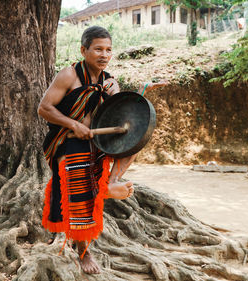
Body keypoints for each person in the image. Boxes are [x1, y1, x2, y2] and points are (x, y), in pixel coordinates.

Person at [37, 26, 167, 274]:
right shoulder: (68, 75)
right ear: (84, 50)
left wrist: (141, 92)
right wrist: (74, 124)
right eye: (98, 49)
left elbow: (120, 116)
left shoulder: (110, 82)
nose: (104, 54)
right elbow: (44, 108)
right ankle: (84, 252)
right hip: (66, 140)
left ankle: (110, 181)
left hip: (96, 141)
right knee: (80, 181)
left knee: (134, 143)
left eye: (108, 49)